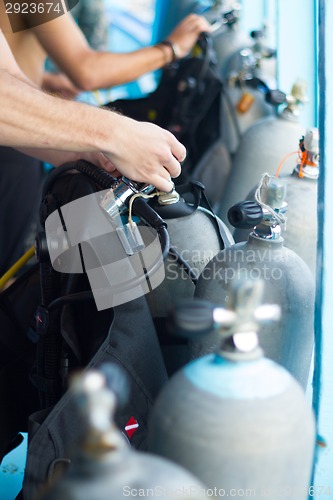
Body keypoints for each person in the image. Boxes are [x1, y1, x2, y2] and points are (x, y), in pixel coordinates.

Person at [0, 30, 186, 274]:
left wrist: (91, 153)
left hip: (21, 138)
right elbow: (86, 68)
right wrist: (172, 48)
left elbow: (9, 76)